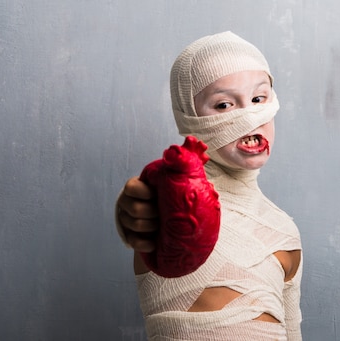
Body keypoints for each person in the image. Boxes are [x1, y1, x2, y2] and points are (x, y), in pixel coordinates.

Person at [115, 31, 303, 340]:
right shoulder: (169, 201)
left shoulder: (283, 231)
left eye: (258, 99)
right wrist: (130, 211)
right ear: (188, 116)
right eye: (225, 105)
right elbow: (145, 200)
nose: (249, 117)